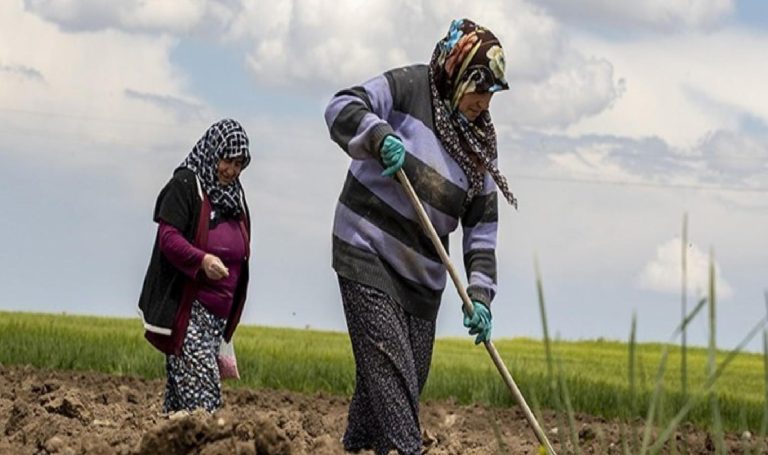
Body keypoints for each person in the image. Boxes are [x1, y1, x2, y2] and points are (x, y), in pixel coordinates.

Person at [324, 18, 517, 455]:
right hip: (366, 249)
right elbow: (341, 105)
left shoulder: (480, 145)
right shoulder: (412, 86)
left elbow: (482, 229)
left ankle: (354, 449)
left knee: (394, 382)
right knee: (393, 378)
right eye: (478, 88)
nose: (483, 102)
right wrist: (378, 136)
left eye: (491, 93)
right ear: (458, 72)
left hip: (423, 279)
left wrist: (481, 295)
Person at [138, 118, 252, 413]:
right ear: (213, 151)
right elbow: (168, 238)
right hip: (188, 314)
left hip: (217, 321)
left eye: (239, 164)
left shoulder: (235, 197)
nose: (232, 170)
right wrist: (202, 260)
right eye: (227, 160)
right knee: (204, 404)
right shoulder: (186, 185)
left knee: (180, 411)